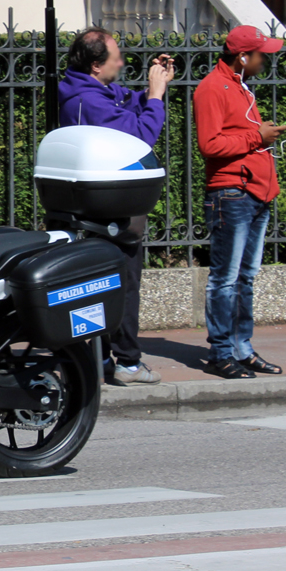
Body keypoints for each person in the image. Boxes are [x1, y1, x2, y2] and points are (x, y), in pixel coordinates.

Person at [58, 28, 173, 386]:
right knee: (122, 284)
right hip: (109, 208)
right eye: (116, 57)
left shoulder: (90, 91)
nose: (122, 62)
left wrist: (152, 89)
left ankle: (106, 358)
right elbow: (138, 139)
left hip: (105, 202)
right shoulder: (88, 100)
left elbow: (124, 104)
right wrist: (156, 97)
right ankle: (127, 362)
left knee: (110, 284)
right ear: (96, 65)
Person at [193, 25, 286, 379]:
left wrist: (261, 136)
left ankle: (242, 348)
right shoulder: (211, 89)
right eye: (262, 54)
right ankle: (221, 353)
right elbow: (210, 145)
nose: (267, 60)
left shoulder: (240, 86)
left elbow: (238, 136)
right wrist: (256, 136)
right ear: (243, 56)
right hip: (231, 193)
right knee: (226, 278)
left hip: (256, 192)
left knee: (245, 277)